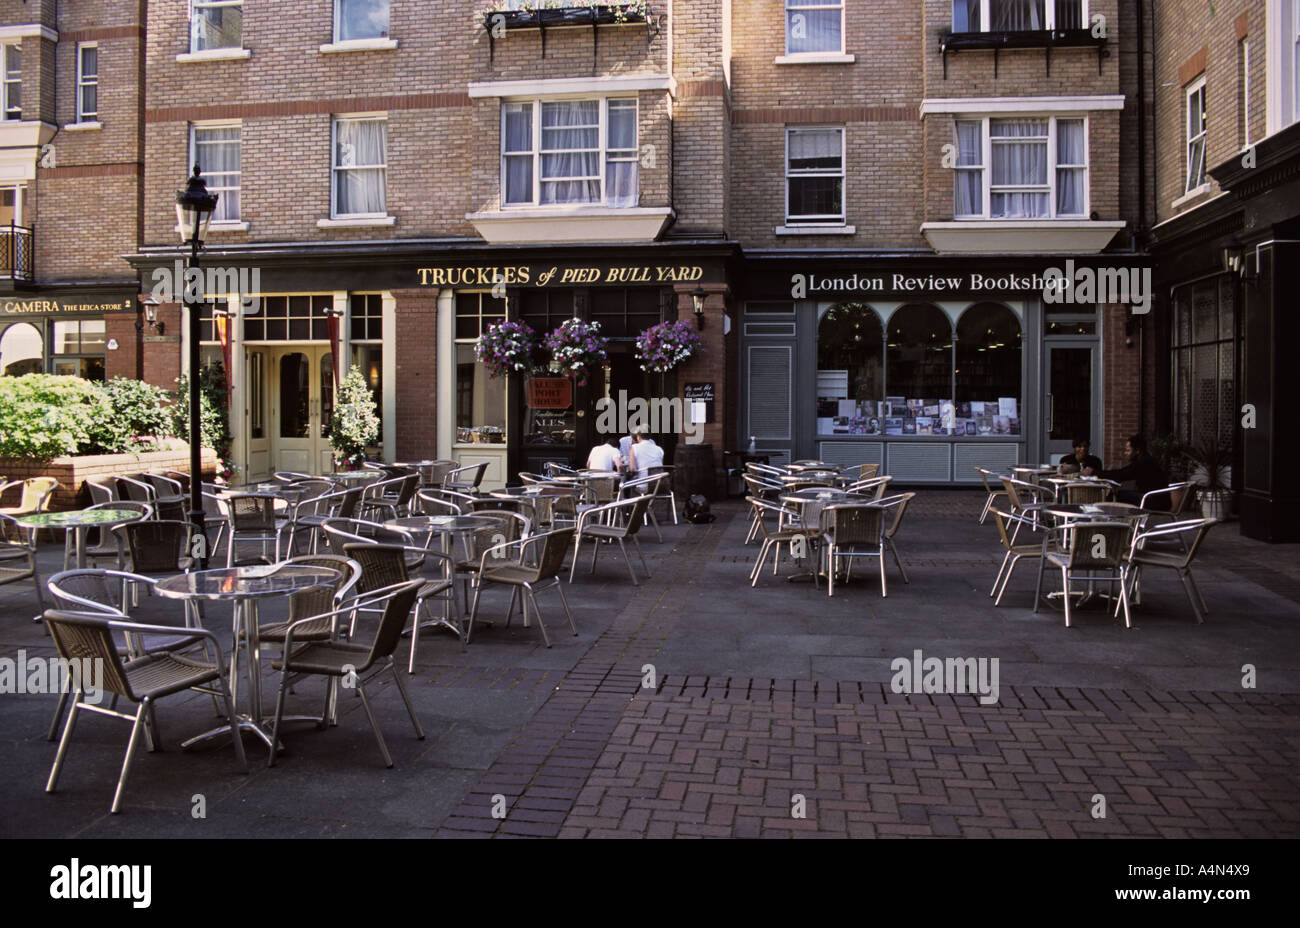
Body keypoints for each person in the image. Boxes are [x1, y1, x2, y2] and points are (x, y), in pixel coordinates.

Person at [1087, 434, 1167, 505]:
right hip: (1156, 498)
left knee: (1113, 496)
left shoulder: (1143, 463)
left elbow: (1120, 475)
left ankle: (1113, 520)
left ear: (1137, 451)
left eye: (1128, 450)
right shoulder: (1145, 460)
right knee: (1118, 494)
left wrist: (1094, 472)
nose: (1125, 453)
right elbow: (1122, 473)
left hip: (1153, 500)